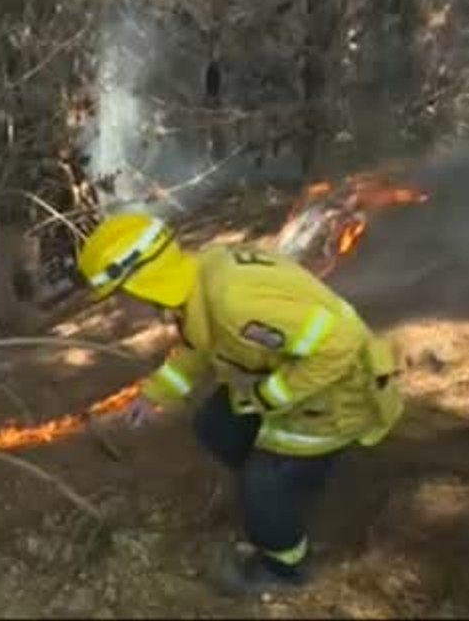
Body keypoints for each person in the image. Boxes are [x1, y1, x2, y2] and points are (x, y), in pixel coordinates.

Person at [75, 212, 402, 596]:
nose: (118, 308)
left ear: (142, 285)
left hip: (336, 396)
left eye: (118, 298)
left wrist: (268, 396)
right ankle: (293, 484)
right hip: (293, 380)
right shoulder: (203, 277)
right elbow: (200, 344)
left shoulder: (232, 303)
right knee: (216, 427)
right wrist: (157, 393)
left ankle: (285, 567)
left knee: (262, 485)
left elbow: (340, 345)